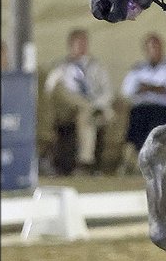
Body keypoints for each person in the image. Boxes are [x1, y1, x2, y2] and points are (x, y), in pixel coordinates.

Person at [44, 29, 114, 174]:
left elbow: (107, 91)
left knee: (88, 115)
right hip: (69, 107)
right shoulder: (61, 67)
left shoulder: (97, 66)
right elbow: (51, 90)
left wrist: (95, 105)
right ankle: (86, 162)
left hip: (93, 106)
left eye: (84, 43)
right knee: (65, 93)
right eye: (78, 43)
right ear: (70, 45)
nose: (82, 46)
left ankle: (86, 163)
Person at [120, 33, 166, 164]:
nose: (154, 51)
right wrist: (155, 88)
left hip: (161, 108)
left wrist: (144, 87)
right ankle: (134, 160)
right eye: (151, 48)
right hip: (141, 107)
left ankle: (154, 160)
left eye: (156, 47)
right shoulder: (137, 69)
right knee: (136, 126)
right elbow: (127, 91)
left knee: (156, 128)